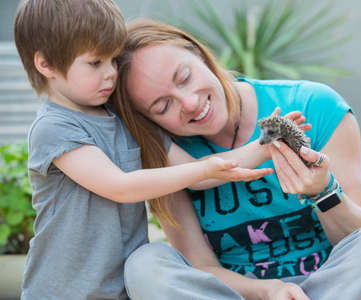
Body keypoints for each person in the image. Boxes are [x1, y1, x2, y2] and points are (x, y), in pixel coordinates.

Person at [112, 20, 361, 300]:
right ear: (148, 120)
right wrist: (267, 290)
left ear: (199, 54)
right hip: (235, 293)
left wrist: (323, 192)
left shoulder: (315, 106)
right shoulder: (163, 154)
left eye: (185, 77)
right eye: (163, 106)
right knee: (146, 264)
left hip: (328, 290)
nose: (190, 103)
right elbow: (201, 266)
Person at [14, 1, 278, 299]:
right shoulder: (55, 128)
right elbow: (120, 187)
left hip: (122, 290)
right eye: (95, 63)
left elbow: (200, 173)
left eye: (113, 60)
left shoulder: (125, 120)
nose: (111, 73)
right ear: (45, 64)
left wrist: (267, 144)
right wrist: (202, 169)